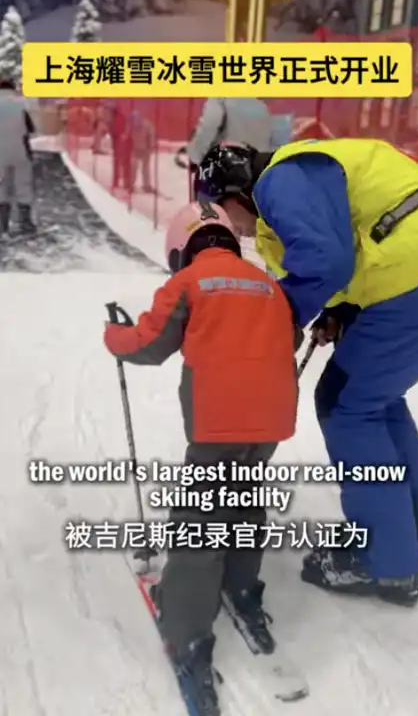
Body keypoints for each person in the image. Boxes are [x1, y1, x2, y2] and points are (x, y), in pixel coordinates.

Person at [194, 139, 418, 607]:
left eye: (216, 205)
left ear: (234, 188)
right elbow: (346, 244)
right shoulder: (297, 178)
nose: (227, 223)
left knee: (347, 407)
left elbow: (326, 260)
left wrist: (278, 317)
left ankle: (384, 561)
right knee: (376, 402)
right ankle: (410, 549)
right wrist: (338, 310)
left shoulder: (279, 179)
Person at [103, 200, 298, 714]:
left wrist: (113, 335)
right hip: (272, 420)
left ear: (181, 247)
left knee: (201, 520)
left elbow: (148, 342)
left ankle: (187, 630)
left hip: (220, 422)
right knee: (245, 497)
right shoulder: (268, 284)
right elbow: (291, 336)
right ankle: (240, 584)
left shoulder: (190, 283)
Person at [0, 79, 36, 236]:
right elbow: (30, 129)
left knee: (2, 187)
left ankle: (2, 226)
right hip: (21, 151)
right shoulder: (21, 103)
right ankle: (26, 224)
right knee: (23, 185)